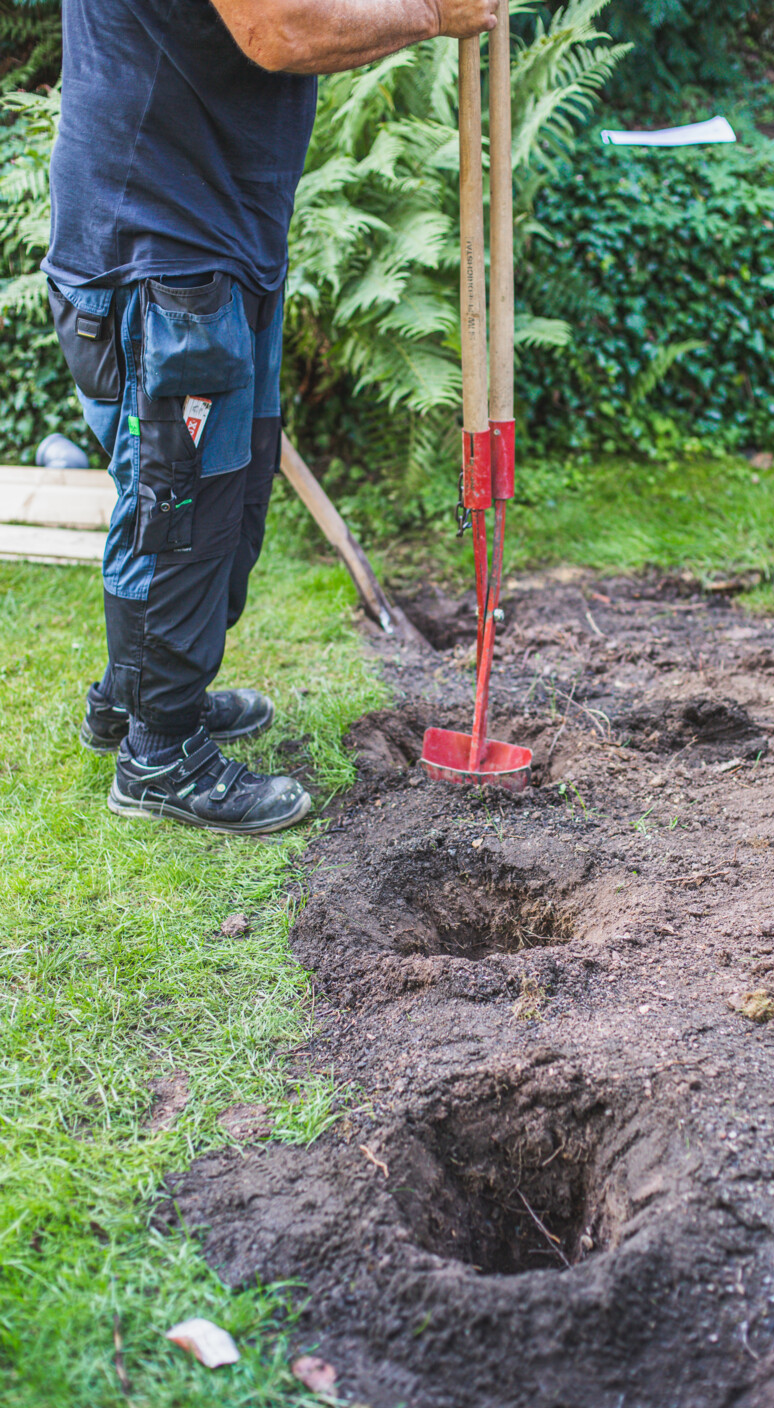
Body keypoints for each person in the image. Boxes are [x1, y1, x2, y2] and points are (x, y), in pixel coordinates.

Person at [43, 0, 499, 835]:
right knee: (181, 507)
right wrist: (435, 14)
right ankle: (159, 755)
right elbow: (281, 29)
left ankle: (136, 694)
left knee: (217, 493)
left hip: (213, 236)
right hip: (160, 245)